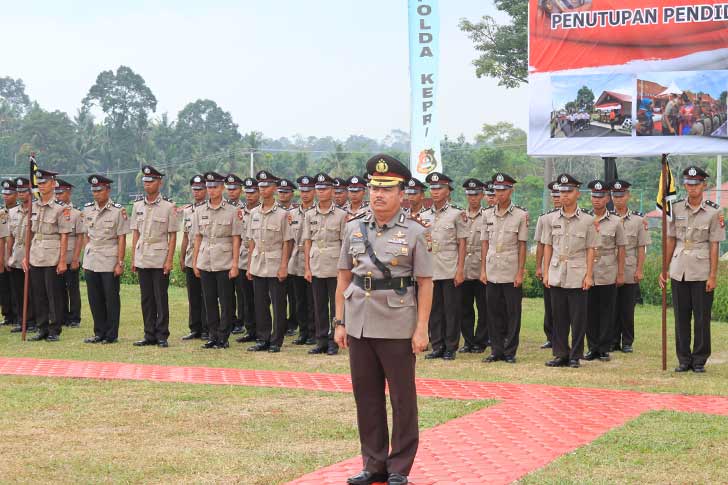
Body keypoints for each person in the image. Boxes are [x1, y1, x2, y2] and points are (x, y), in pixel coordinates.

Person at [334, 154, 433, 485]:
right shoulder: (353, 227)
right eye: (374, 187)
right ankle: (373, 463)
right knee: (367, 396)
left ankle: (399, 467)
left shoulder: (416, 232)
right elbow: (344, 277)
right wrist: (339, 321)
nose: (378, 194)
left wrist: (421, 329)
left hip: (397, 323)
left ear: (401, 194)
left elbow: (425, 283)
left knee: (402, 398)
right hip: (359, 320)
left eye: (387, 189)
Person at [659, 166, 724, 373]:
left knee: (702, 317)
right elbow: (670, 239)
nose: (692, 188)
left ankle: (699, 360)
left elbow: (715, 244)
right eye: (688, 184)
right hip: (679, 268)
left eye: (696, 184)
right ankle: (684, 359)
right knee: (681, 316)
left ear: (704, 185)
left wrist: (713, 275)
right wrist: (665, 268)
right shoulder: (676, 208)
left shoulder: (714, 211)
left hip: (701, 269)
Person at [542, 174, 598, 368]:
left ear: (577, 194)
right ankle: (560, 354)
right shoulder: (551, 219)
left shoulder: (588, 220)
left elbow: (591, 248)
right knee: (559, 317)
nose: (564, 195)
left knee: (578, 318)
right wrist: (546, 271)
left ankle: (575, 355)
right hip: (557, 272)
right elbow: (548, 246)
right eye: (562, 191)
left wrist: (589, 275)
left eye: (569, 191)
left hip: (577, 272)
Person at [480, 173, 528, 364]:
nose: (499, 193)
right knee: (493, 312)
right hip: (492, 269)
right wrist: (483, 270)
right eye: (497, 190)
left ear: (511, 191)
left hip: (510, 269)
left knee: (512, 312)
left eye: (503, 190)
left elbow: (522, 245)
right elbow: (484, 243)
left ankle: (510, 351)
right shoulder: (487, 214)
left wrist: (520, 271)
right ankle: (496, 350)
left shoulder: (520, 215)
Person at [192, 171, 242, 349]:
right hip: (205, 259)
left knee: (226, 300)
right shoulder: (199, 211)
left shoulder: (233, 211)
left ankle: (223, 336)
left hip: (224, 260)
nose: (211, 190)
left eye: (215, 187)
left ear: (222, 188)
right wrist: (195, 261)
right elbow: (197, 237)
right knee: (209, 300)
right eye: (209, 187)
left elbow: (236, 238)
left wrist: (235, 264)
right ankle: (212, 335)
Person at [420, 171, 467, 361]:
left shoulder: (456, 214)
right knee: (434, 310)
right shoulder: (424, 215)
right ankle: (437, 345)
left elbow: (462, 243)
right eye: (433, 188)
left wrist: (460, 269)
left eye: (440, 188)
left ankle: (450, 346)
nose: (436, 191)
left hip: (449, 268)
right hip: (430, 269)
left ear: (448, 191)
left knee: (451, 309)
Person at [131, 165, 178, 348]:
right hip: (143, 255)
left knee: (160, 297)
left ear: (160, 182)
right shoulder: (137, 206)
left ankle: (162, 334)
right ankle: (148, 333)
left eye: (151, 181)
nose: (147, 184)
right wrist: (134, 257)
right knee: (146, 298)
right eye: (145, 181)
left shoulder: (169, 207)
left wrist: (169, 260)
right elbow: (135, 232)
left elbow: (173, 235)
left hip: (159, 256)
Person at [246, 170, 293, 353]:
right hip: (258, 262)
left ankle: (276, 340)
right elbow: (251, 241)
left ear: (274, 188)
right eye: (261, 186)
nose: (263, 189)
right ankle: (263, 338)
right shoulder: (254, 213)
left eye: (267, 186)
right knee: (260, 303)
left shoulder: (282, 214)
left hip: (275, 263)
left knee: (279, 304)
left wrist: (283, 266)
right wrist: (250, 265)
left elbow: (287, 242)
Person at [303, 172, 349, 355]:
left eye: (325, 189)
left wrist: (343, 270)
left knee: (334, 305)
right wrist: (307, 267)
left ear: (332, 190)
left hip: (334, 265)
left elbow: (344, 244)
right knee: (318, 304)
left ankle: (332, 341)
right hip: (316, 264)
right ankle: (320, 340)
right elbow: (307, 241)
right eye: (319, 189)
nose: (321, 192)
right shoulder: (309, 214)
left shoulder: (341, 215)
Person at [82, 175, 129, 344]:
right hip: (91, 259)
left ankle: (111, 334)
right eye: (94, 190)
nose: (96, 194)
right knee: (94, 298)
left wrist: (120, 262)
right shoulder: (87, 210)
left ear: (108, 190)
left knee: (111, 298)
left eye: (99, 190)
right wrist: (87, 252)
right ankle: (99, 332)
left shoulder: (118, 211)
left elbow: (121, 238)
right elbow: (85, 235)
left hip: (109, 258)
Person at [26, 168, 71, 342]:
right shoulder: (34, 206)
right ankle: (42, 327)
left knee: (53, 294)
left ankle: (54, 329)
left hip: (52, 254)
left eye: (44, 182)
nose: (41, 186)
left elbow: (64, 235)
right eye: (39, 183)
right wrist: (26, 255)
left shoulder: (60, 208)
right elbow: (29, 232)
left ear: (53, 184)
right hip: (36, 253)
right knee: (38, 293)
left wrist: (62, 261)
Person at [584, 180, 625, 362]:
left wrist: (621, 272)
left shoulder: (616, 221)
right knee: (589, 310)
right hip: (588, 270)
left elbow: (621, 248)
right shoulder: (584, 219)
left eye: (600, 197)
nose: (597, 200)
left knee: (607, 310)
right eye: (594, 196)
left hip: (608, 269)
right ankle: (592, 347)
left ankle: (604, 348)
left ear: (607, 198)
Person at [611, 179, 650, 353]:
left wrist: (640, 269)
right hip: (609, 269)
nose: (618, 199)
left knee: (627, 308)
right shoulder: (606, 218)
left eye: (621, 196)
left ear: (628, 196)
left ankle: (627, 341)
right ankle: (612, 340)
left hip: (629, 269)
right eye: (615, 195)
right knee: (610, 307)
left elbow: (641, 247)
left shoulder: (638, 220)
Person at [459, 178, 489, 354]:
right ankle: (468, 341)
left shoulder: (488, 216)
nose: (473, 198)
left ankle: (481, 341)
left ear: (483, 195)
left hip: (481, 265)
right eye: (469, 194)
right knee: (465, 307)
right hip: (464, 266)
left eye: (476, 194)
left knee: (483, 307)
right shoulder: (460, 215)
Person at [180, 175, 208, 340]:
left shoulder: (208, 209)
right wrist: (182, 257)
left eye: (200, 189)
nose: (197, 192)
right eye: (194, 189)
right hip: (191, 257)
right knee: (193, 295)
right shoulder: (188, 211)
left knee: (206, 295)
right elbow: (185, 236)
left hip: (205, 257)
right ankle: (195, 327)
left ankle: (206, 328)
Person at [288, 175, 316, 345]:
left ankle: (313, 332)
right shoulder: (292, 214)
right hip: (296, 259)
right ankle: (303, 332)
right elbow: (289, 240)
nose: (305, 194)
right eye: (303, 191)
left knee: (313, 300)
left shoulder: (316, 212)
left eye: (308, 191)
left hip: (314, 259)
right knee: (299, 299)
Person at [534, 181, 562, 349]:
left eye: (559, 195)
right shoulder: (545, 218)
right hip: (549, 266)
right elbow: (540, 245)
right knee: (550, 304)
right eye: (554, 195)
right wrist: (539, 266)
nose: (557, 198)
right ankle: (551, 336)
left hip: (567, 267)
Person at [54, 178, 84, 328]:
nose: (58, 196)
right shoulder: (54, 211)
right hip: (56, 255)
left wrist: (76, 258)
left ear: (69, 193)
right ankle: (63, 315)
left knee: (72, 288)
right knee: (59, 288)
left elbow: (80, 237)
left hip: (71, 254)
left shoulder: (77, 214)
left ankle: (74, 317)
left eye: (61, 193)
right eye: (56, 193)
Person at [7, 178, 35, 333]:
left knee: (32, 290)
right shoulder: (12, 212)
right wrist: (8, 256)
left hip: (32, 254)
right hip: (17, 255)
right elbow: (11, 235)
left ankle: (33, 321)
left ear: (30, 192)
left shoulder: (36, 209)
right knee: (18, 291)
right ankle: (21, 320)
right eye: (19, 191)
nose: (21, 194)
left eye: (24, 191)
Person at [234, 177, 259, 344]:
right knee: (245, 297)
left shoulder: (261, 211)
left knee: (260, 298)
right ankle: (250, 329)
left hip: (259, 257)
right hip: (243, 258)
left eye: (253, 192)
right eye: (247, 192)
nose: (249, 195)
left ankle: (261, 329)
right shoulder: (240, 212)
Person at [276, 178, 299, 336]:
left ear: (292, 194)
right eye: (280, 192)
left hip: (295, 258)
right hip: (277, 257)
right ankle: (281, 324)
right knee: (279, 296)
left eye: (286, 192)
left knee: (294, 295)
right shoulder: (274, 211)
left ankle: (293, 323)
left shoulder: (295, 212)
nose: (283, 195)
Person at [225, 173, 246, 335]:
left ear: (241, 190)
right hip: (224, 255)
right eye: (229, 189)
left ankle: (241, 321)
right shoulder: (224, 208)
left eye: (235, 189)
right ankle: (228, 320)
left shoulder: (244, 210)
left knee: (241, 292)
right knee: (226, 293)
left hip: (241, 256)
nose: (231, 192)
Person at [1, 179, 18, 327]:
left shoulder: (20, 212)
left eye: (10, 193)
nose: (6, 196)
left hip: (15, 253)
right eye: (4, 193)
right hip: (2, 253)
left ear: (16, 194)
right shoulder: (1, 212)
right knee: (4, 286)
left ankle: (18, 314)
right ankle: (7, 315)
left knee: (15, 286)